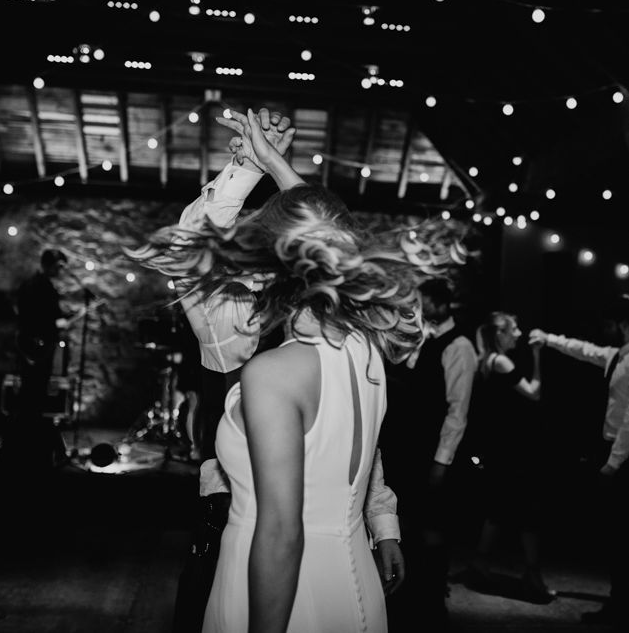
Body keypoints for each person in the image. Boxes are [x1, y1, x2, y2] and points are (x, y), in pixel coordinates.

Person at [134, 108, 465, 632]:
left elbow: (184, 250)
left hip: (269, 574)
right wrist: (259, 166)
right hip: (335, 570)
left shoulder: (267, 352)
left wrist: (382, 518)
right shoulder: (360, 338)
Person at [380, 277, 478, 631]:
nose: (417, 308)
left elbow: (458, 410)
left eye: (423, 302)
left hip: (433, 454)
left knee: (433, 531)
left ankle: (433, 605)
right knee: (406, 526)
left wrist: (442, 461)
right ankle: (408, 600)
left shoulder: (460, 346)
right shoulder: (420, 337)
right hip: (405, 450)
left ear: (440, 304)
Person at [530, 295, 629, 628]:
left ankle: (619, 609)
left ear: (623, 325)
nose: (604, 329)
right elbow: (583, 349)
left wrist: (613, 464)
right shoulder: (617, 355)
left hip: (624, 454)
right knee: (616, 533)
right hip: (613, 448)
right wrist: (548, 339)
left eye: (609, 324)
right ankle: (619, 602)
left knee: (621, 534)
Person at [462, 312, 555, 603]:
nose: (518, 334)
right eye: (514, 329)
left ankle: (482, 564)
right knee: (527, 510)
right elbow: (534, 393)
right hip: (513, 450)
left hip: (499, 448)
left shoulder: (485, 361)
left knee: (498, 509)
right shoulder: (500, 361)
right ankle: (532, 576)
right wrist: (538, 356)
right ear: (500, 333)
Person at [16, 248, 69, 417]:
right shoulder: (44, 287)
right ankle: (33, 428)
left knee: (28, 385)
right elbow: (50, 317)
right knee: (38, 386)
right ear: (51, 266)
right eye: (59, 266)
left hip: (28, 342)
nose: (60, 271)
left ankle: (25, 426)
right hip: (41, 344)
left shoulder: (29, 283)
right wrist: (61, 323)